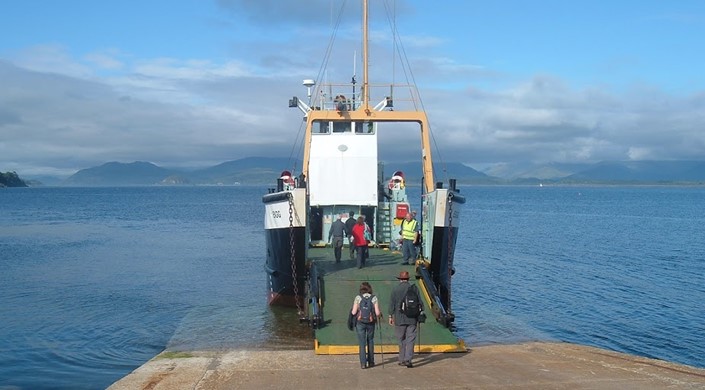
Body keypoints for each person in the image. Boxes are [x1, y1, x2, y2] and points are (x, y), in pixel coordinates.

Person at [388, 271, 422, 368]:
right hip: (412, 318)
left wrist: (390, 316)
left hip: (399, 318)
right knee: (410, 339)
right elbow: (420, 303)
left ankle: (401, 359)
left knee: (401, 339)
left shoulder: (395, 289)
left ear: (399, 279)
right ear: (408, 279)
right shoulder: (414, 289)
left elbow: (392, 304)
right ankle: (408, 359)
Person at [351, 282, 382, 369]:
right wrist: (379, 314)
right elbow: (377, 313)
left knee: (362, 342)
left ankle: (363, 363)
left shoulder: (358, 298)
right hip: (370, 322)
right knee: (370, 341)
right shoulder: (374, 298)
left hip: (360, 322)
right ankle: (371, 361)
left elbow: (353, 312)